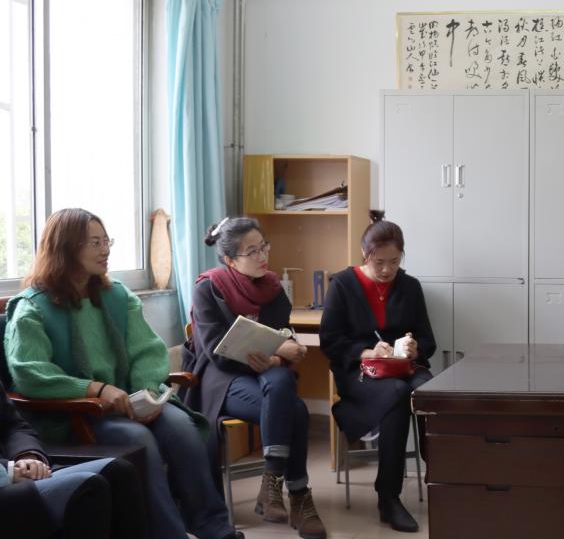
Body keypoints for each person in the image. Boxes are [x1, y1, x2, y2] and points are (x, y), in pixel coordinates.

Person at [3, 208, 243, 539]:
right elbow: (30, 373)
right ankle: (167, 534)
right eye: (95, 243)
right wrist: (95, 389)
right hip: (76, 414)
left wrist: (148, 395)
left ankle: (213, 527)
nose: (105, 250)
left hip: (129, 403)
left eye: (107, 241)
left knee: (181, 427)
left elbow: (148, 350)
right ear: (66, 247)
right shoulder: (31, 307)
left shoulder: (116, 295)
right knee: (139, 440)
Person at [181, 217, 326, 539]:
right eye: (252, 251)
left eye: (264, 247)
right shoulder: (208, 288)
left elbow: (281, 335)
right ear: (230, 260)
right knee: (296, 410)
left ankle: (272, 483)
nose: (262, 256)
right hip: (220, 378)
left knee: (284, 386)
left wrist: (281, 354)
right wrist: (276, 355)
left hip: (267, 373)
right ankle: (298, 495)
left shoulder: (274, 289)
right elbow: (217, 352)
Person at [320, 210, 435, 533]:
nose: (387, 270)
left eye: (394, 262)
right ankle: (389, 497)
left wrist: (414, 348)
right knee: (397, 395)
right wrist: (367, 352)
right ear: (364, 254)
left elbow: (428, 340)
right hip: (361, 372)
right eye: (379, 262)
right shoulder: (343, 285)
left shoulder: (410, 287)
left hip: (404, 368)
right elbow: (330, 341)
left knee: (427, 391)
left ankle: (437, 468)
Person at [0, 380, 146, 539]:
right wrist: (11, 471)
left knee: (119, 471)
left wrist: (27, 455)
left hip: (17, 471)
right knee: (88, 487)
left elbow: (13, 426)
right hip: (5, 483)